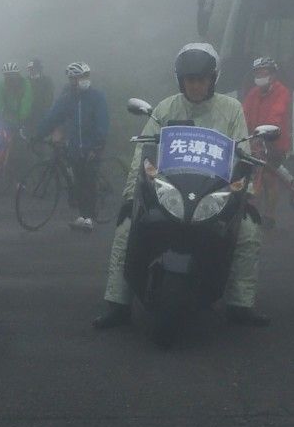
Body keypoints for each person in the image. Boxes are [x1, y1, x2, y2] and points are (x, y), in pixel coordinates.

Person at [93, 43, 268, 329]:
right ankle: (117, 303)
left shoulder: (231, 109)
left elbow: (243, 153)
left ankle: (240, 304)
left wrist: (243, 197)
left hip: (213, 192)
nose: (196, 86)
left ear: (213, 79)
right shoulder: (165, 108)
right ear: (181, 80)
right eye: (190, 80)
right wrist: (130, 196)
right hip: (168, 188)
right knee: (127, 226)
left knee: (248, 230)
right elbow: (144, 149)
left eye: (201, 79)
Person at [34, 60, 109, 231]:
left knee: (89, 181)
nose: (82, 80)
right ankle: (82, 215)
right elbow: (53, 117)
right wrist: (38, 135)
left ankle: (89, 217)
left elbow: (102, 122)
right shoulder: (68, 99)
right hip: (75, 146)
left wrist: (97, 145)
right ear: (71, 80)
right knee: (79, 181)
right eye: (77, 77)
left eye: (84, 76)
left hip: (92, 146)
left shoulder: (97, 97)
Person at [240, 56, 293, 225]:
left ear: (272, 75)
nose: (260, 76)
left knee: (269, 178)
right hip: (256, 142)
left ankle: (270, 216)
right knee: (249, 175)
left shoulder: (282, 92)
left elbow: (277, 114)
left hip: (274, 142)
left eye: (264, 72)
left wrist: (264, 131)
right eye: (257, 73)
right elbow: (244, 114)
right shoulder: (253, 93)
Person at [0, 61, 34, 126]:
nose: (10, 78)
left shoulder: (25, 84)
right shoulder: (1, 85)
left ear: (17, 74)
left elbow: (26, 101)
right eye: (7, 75)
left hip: (24, 119)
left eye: (12, 74)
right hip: (7, 117)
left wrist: (22, 118)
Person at [25, 59, 56, 133]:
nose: (31, 71)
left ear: (39, 69)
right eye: (30, 69)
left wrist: (44, 108)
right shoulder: (25, 81)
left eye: (33, 69)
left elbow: (49, 97)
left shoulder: (47, 80)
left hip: (43, 114)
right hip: (28, 116)